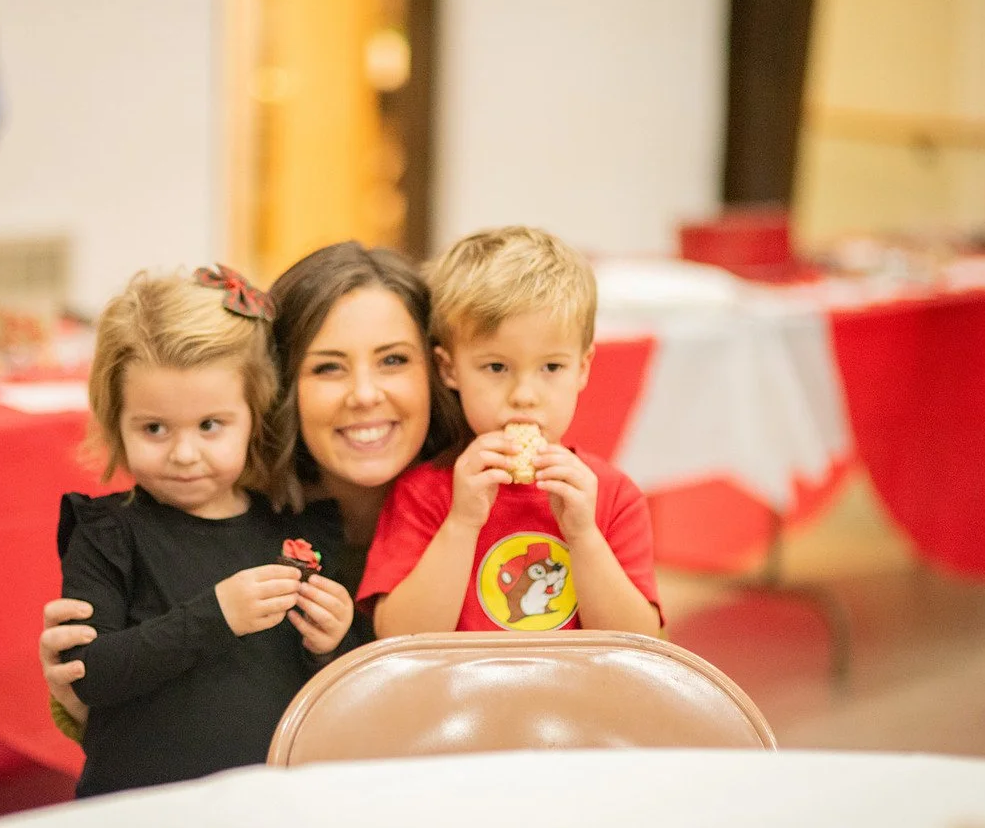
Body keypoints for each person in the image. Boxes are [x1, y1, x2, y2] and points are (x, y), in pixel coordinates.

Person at [41, 241, 464, 732]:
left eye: (393, 360)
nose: (365, 394)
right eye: (328, 367)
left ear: (438, 370)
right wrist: (77, 700)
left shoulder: (490, 510)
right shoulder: (233, 520)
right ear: (275, 387)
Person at [56, 265, 355, 796]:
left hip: (275, 804)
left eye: (210, 425)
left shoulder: (299, 531)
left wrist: (333, 643)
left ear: (253, 416)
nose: (184, 454)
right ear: (114, 420)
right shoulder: (108, 534)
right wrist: (216, 616)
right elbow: (88, 674)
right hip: (140, 806)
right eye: (154, 428)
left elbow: (338, 692)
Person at [358, 225, 662, 637]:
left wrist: (584, 535)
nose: (524, 396)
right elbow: (397, 639)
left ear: (583, 368)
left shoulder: (611, 497)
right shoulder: (424, 494)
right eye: (496, 367)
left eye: (551, 367)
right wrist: (462, 523)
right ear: (449, 369)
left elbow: (640, 646)